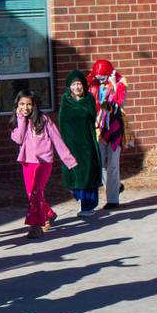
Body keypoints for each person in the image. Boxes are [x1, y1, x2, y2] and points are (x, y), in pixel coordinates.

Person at [10, 89, 78, 238]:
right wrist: (20, 118)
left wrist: (69, 161)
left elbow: (57, 140)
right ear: (17, 105)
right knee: (31, 194)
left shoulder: (44, 120)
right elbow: (18, 139)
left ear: (35, 105)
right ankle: (49, 214)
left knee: (36, 192)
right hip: (27, 162)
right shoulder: (18, 121)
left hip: (44, 162)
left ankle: (36, 226)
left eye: (29, 104)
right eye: (22, 104)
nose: (25, 107)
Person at [87, 59, 130, 209]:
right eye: (98, 78)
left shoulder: (120, 82)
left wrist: (115, 84)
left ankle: (112, 200)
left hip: (115, 127)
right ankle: (116, 185)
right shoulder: (93, 85)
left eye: (103, 77)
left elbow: (121, 102)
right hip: (99, 127)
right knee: (100, 164)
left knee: (112, 163)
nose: (101, 81)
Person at [59, 70, 102, 217]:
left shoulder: (89, 98)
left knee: (88, 172)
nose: (76, 87)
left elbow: (90, 115)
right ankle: (79, 197)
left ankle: (88, 206)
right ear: (68, 86)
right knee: (73, 170)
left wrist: (80, 112)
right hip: (71, 142)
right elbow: (63, 121)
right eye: (73, 84)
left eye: (78, 84)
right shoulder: (65, 100)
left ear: (84, 84)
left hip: (86, 142)